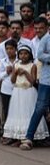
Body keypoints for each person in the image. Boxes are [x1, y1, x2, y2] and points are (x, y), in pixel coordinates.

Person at [3, 45, 48, 145]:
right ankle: (16, 136)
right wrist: (15, 73)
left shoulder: (33, 65)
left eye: (26, 53)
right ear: (18, 55)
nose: (23, 56)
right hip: (17, 91)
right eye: (21, 54)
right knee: (17, 113)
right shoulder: (16, 65)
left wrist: (25, 73)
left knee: (28, 112)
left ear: (30, 55)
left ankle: (27, 136)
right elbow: (13, 80)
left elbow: (33, 81)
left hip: (28, 91)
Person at [20, 18, 50, 150]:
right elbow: (40, 55)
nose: (39, 30)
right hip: (46, 80)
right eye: (37, 28)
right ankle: (29, 137)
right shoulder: (46, 39)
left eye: (41, 28)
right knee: (40, 108)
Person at [0, 39, 20, 144]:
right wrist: (6, 72)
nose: (9, 51)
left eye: (11, 48)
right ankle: (7, 134)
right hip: (5, 90)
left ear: (16, 49)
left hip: (17, 90)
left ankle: (16, 135)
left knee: (17, 113)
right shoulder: (3, 61)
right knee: (6, 113)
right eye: (7, 49)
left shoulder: (19, 61)